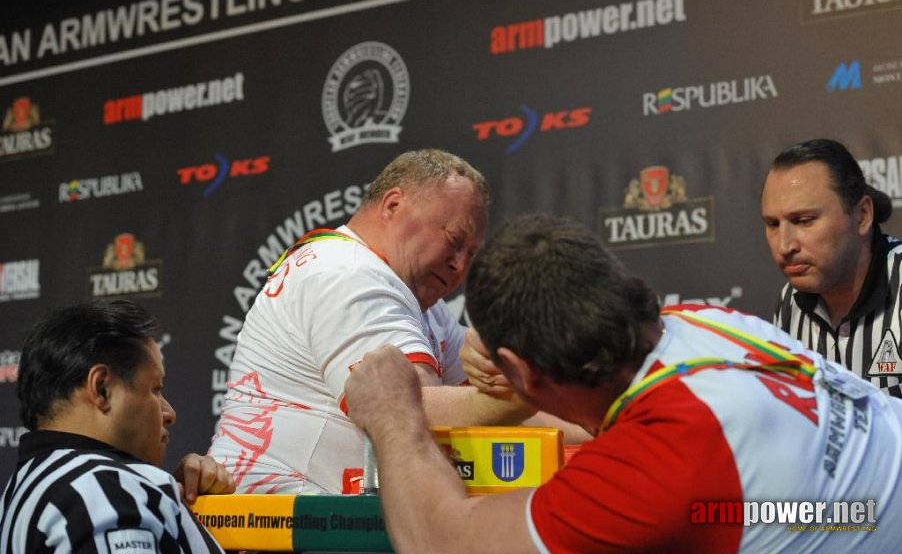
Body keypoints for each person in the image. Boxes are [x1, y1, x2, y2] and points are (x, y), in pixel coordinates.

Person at [344, 213, 902, 553]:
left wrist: (394, 414)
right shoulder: (707, 322)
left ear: (523, 368)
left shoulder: (656, 466)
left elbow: (440, 541)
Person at [208, 148, 560, 495]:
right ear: (392, 205)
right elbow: (409, 413)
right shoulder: (346, 271)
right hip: (266, 524)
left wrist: (593, 420)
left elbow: (494, 409)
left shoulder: (424, 305)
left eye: (471, 254)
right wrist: (520, 395)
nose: (460, 266)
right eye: (454, 240)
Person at [0, 299, 233, 553]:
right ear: (102, 389)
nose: (169, 413)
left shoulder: (21, 489)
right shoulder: (104, 489)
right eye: (154, 389)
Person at [762, 138, 902, 397]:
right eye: (772, 224)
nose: (784, 245)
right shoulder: (789, 302)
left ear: (862, 215)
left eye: (803, 221)